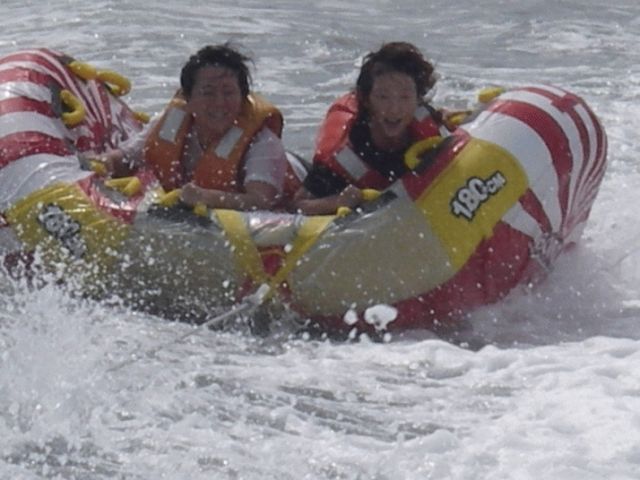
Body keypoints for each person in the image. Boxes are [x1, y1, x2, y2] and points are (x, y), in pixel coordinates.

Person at [101, 44, 288, 211]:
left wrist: (206, 197)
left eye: (229, 93)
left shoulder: (263, 142)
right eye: (208, 93)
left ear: (242, 99)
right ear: (188, 99)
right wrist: (103, 164)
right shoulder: (171, 124)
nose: (219, 102)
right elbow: (125, 158)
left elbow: (260, 201)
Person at [293, 41, 452, 215]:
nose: (394, 109)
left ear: (418, 100)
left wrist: (448, 118)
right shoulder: (345, 153)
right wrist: (338, 201)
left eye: (405, 97)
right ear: (366, 100)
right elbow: (299, 204)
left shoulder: (423, 117)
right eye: (383, 97)